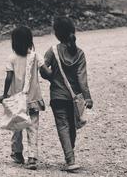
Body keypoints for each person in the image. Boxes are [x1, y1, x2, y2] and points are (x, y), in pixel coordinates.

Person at [41, 16, 93, 171]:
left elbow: (44, 71)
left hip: (57, 97)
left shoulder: (52, 51)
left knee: (63, 126)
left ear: (57, 34)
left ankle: (70, 160)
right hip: (74, 98)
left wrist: (50, 76)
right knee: (71, 127)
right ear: (72, 31)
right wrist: (88, 97)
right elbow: (82, 78)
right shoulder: (80, 53)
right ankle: (71, 156)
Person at [0, 26, 52, 170]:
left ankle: (17, 154)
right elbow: (46, 73)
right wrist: (54, 76)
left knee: (17, 126)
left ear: (14, 42)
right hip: (33, 99)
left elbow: (8, 78)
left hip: (17, 100)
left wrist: (4, 95)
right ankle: (32, 157)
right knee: (33, 127)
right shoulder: (36, 56)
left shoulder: (12, 58)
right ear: (30, 40)